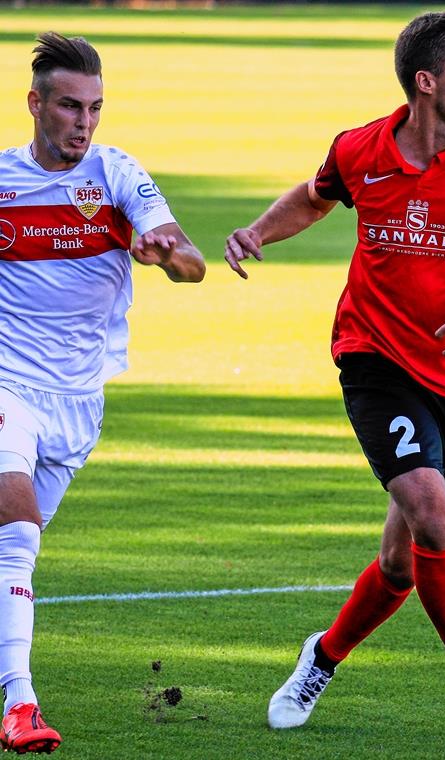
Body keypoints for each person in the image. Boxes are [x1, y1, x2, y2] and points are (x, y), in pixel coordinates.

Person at [225, 7, 445, 746]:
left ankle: (320, 656)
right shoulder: (361, 149)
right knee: (436, 518)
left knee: (402, 560)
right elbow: (315, 196)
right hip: (374, 357)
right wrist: (259, 230)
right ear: (427, 81)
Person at [0, 32, 206, 754]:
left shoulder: (117, 174)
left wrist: (166, 253)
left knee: (9, 555)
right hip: (7, 385)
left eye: (94, 107)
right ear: (35, 104)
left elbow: (192, 262)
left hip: (79, 402)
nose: (83, 122)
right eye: (68, 106)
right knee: (15, 532)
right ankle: (20, 704)